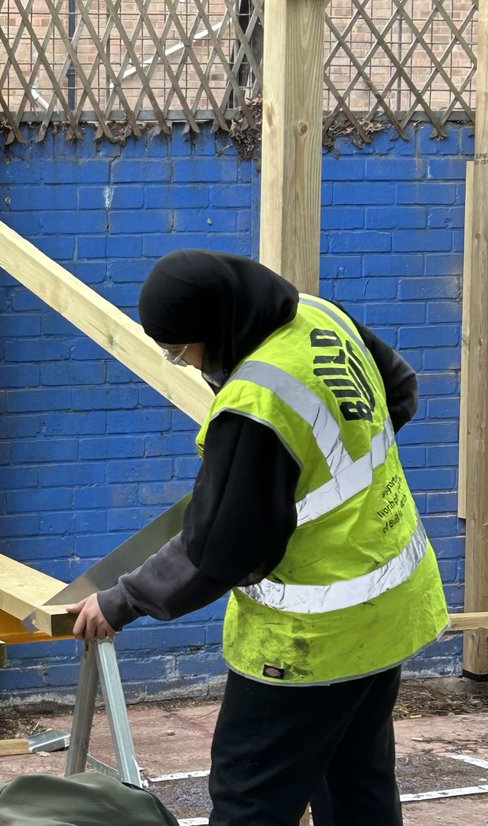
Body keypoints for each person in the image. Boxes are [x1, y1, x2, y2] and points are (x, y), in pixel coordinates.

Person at [67, 250, 449, 826]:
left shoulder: (256, 403)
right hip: (389, 610)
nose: (185, 362)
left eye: (180, 350)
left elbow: (219, 549)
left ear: (216, 328)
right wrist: (314, 477)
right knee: (356, 788)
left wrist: (120, 601)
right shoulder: (320, 317)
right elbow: (399, 390)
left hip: (308, 641)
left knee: (251, 796)